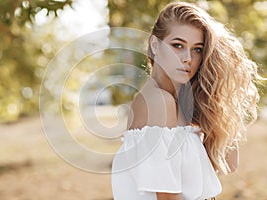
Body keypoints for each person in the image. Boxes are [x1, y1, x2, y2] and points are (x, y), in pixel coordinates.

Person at [111, 2, 260, 200]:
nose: (187, 58)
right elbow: (167, 197)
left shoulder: (179, 102)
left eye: (197, 49)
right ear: (155, 45)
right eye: (177, 45)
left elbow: (229, 164)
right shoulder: (159, 102)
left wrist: (221, 95)